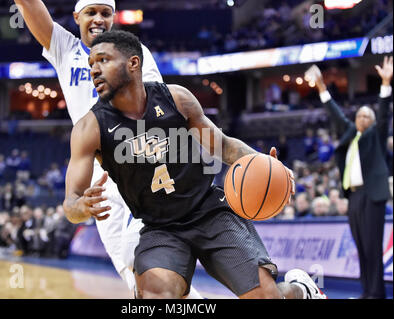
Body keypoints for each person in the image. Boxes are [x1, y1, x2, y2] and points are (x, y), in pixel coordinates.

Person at [63, 30, 326, 299]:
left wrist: (266, 164)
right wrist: (80, 207)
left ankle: (302, 290)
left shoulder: (176, 99)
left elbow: (222, 146)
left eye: (103, 60)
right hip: (159, 228)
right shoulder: (89, 128)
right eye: (91, 64)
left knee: (267, 297)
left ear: (133, 63)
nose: (94, 70)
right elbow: (70, 202)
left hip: (210, 211)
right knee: (156, 298)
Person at [13, 0, 202, 298]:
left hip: (138, 166)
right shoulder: (66, 49)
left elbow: (153, 111)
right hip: (98, 179)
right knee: (137, 282)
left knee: (142, 261)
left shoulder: (133, 54)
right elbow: (27, 5)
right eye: (91, 12)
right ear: (76, 17)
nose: (99, 19)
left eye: (105, 13)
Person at [306, 57, 392, 299]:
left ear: (373, 122)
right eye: (360, 116)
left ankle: (377, 293)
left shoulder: (376, 135)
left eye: (367, 117)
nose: (363, 119)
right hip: (353, 196)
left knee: (373, 246)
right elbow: (335, 114)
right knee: (361, 246)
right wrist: (322, 87)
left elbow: (384, 114)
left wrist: (385, 84)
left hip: (372, 194)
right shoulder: (351, 133)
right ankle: (368, 291)